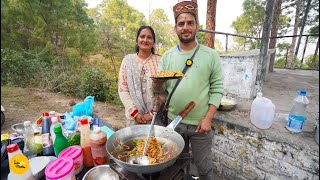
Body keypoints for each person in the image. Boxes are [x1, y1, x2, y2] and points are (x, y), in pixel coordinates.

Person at [152, 1, 223, 179]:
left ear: (196, 26)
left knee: (204, 166)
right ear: (175, 28)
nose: (185, 27)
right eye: (181, 24)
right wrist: (157, 83)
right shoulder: (167, 56)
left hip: (201, 125)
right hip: (173, 123)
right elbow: (160, 92)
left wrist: (208, 118)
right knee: (177, 165)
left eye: (190, 23)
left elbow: (217, 88)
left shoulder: (210, 55)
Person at [118, 26, 164, 127]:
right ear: (137, 39)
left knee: (155, 142)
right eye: (142, 36)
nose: (145, 40)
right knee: (133, 142)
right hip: (133, 118)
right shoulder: (127, 61)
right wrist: (134, 113)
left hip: (155, 117)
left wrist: (152, 113)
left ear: (153, 41)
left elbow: (165, 90)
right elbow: (123, 89)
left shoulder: (160, 61)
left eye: (149, 37)